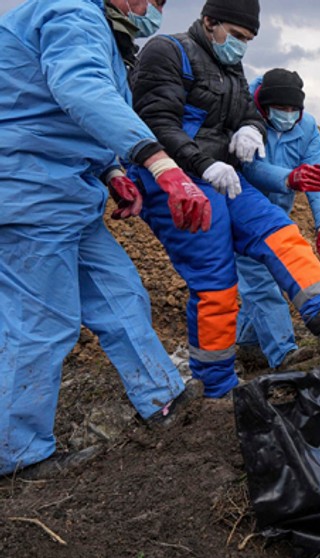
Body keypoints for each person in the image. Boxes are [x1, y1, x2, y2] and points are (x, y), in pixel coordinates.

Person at [0, 0, 208, 478]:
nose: (153, 9)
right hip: (27, 191)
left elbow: (64, 114)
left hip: (66, 193)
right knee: (41, 323)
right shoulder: (72, 12)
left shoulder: (100, 33)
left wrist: (112, 170)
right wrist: (158, 162)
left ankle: (162, 398)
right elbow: (79, 89)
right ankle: (18, 455)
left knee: (121, 295)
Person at [129, 0, 320, 398]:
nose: (242, 46)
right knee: (217, 283)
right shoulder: (167, 51)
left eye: (249, 39)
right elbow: (154, 121)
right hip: (174, 179)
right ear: (209, 22)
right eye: (239, 36)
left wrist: (249, 129)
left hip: (223, 178)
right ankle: (218, 386)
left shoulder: (230, 67)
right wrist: (201, 164)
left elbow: (248, 111)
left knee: (279, 231)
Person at [237, 68, 320, 369]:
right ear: (263, 104)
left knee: (261, 279)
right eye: (280, 109)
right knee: (261, 283)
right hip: (243, 214)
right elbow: (248, 167)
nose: (287, 115)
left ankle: (246, 345)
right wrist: (289, 178)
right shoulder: (243, 118)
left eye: (293, 110)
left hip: (276, 215)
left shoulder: (307, 127)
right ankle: (284, 355)